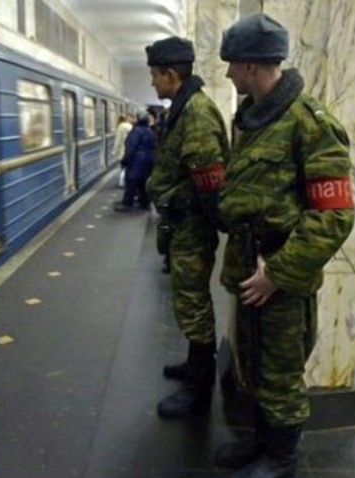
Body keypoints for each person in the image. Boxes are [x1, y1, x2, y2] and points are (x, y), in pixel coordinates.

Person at [216, 13, 355, 478]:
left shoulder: (309, 122)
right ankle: (261, 442)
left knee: (279, 371)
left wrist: (277, 272)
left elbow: (334, 216)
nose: (228, 73)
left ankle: (281, 460)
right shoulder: (254, 117)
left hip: (280, 274)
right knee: (253, 363)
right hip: (248, 265)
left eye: (232, 64)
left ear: (251, 66)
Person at [144, 36, 230, 419]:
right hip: (183, 222)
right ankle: (195, 364)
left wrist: (204, 220)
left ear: (171, 74)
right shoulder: (184, 107)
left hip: (192, 224)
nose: (152, 82)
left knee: (194, 303)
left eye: (154, 74)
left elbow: (210, 181)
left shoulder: (195, 113)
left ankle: (199, 387)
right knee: (187, 300)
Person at [114, 110, 155, 211]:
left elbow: (130, 148)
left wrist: (125, 160)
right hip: (149, 160)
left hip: (136, 161)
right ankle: (144, 203)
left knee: (131, 182)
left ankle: (127, 204)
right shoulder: (150, 131)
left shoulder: (136, 132)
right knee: (144, 183)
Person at [113, 114, 132, 188]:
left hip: (123, 151)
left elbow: (118, 140)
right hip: (130, 150)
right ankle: (125, 181)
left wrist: (114, 151)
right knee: (127, 167)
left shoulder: (120, 127)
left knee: (123, 167)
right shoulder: (130, 125)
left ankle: (122, 183)